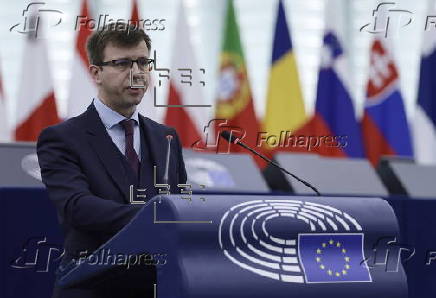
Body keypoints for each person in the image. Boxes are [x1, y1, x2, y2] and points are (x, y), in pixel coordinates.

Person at [37, 22, 187, 298]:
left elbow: (178, 202)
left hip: (159, 285)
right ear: (96, 72)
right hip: (93, 286)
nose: (136, 73)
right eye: (122, 64)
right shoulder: (61, 138)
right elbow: (77, 207)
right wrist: (157, 217)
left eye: (143, 62)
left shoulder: (166, 137)